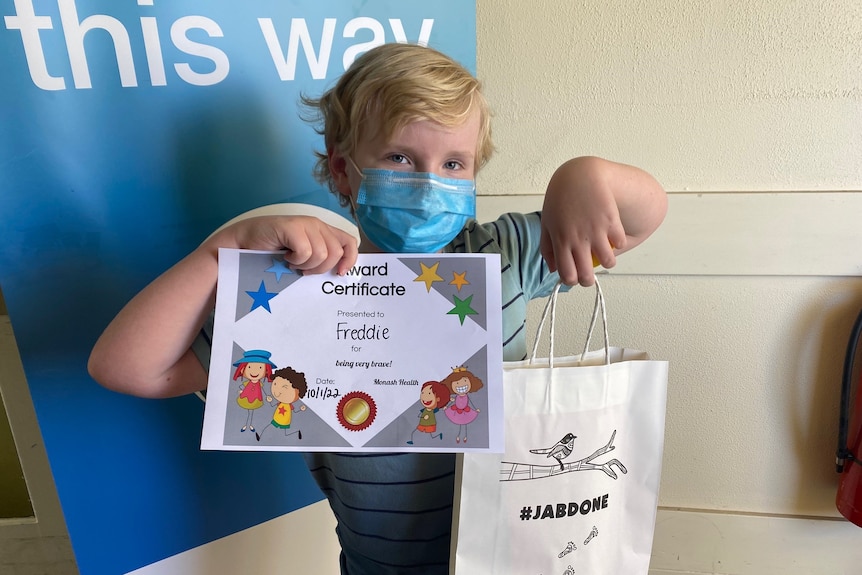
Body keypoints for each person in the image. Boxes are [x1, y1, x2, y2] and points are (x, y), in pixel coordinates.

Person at [88, 42, 667, 574]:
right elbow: (130, 368)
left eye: (453, 164)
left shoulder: (504, 256)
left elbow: (643, 216)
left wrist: (585, 174)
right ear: (343, 169)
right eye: (399, 156)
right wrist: (224, 249)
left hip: (520, 556)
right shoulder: (294, 290)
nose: (428, 184)